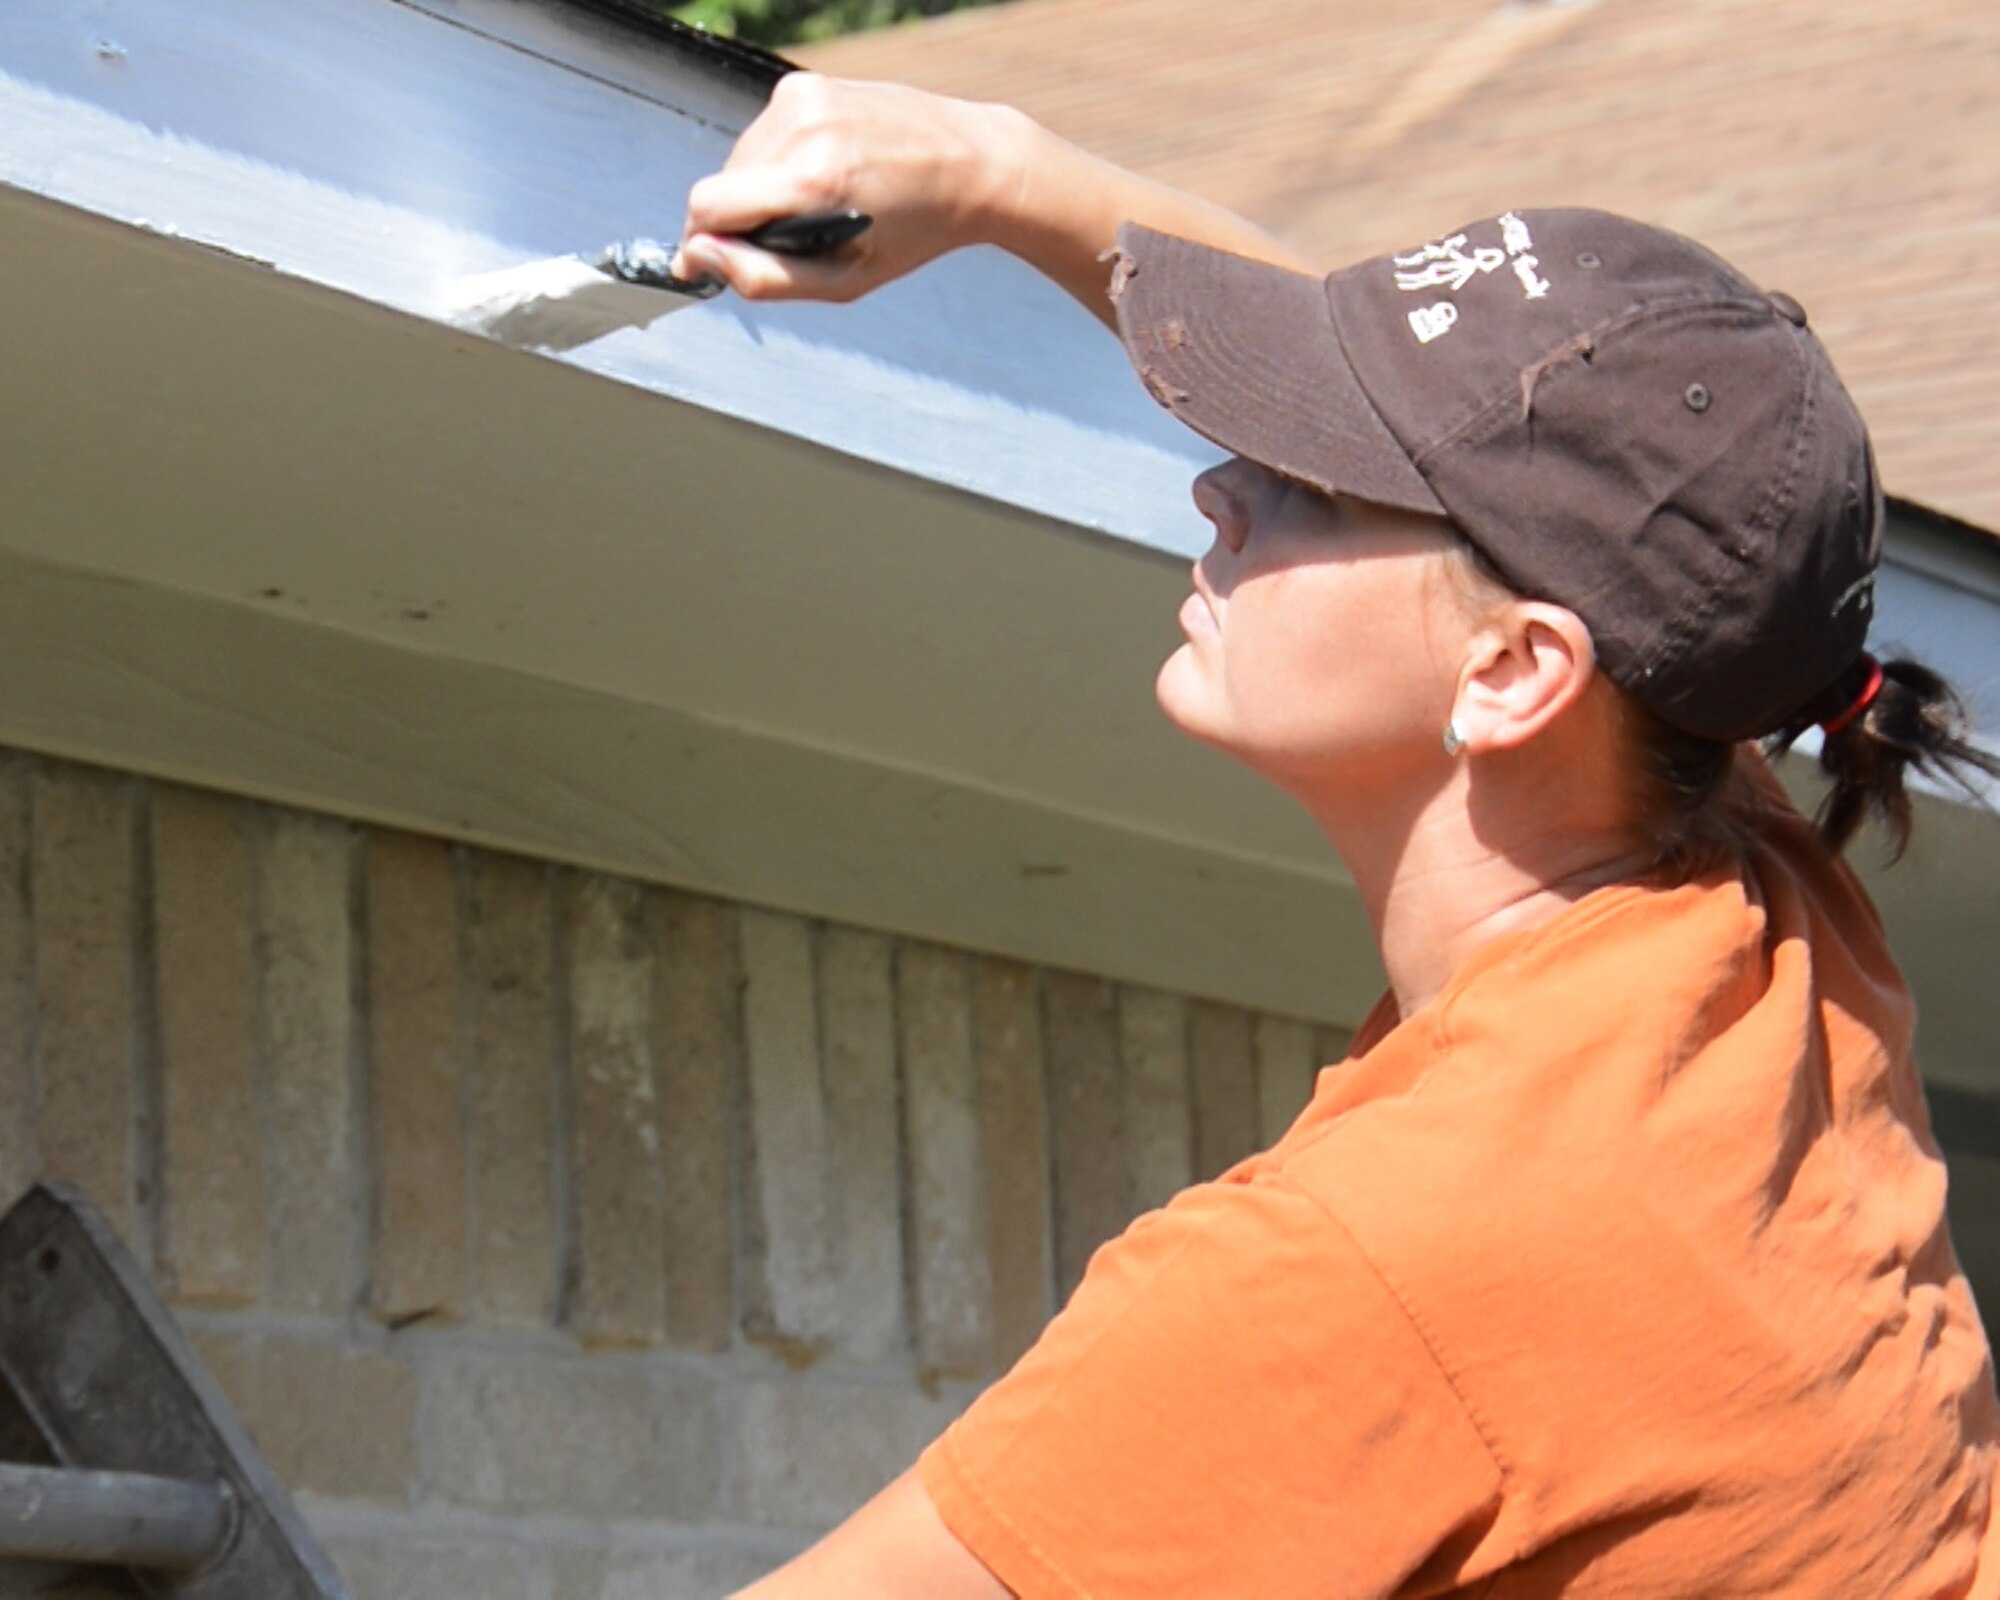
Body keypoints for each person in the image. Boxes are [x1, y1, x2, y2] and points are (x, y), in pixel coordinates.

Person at [673, 75, 2000, 1599]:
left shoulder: (1371, 1270)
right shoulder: (1758, 910)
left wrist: (1001, 174)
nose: (1220, 483)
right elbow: (1531, 503)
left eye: (1308, 475)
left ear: (1516, 674)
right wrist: (988, 171)